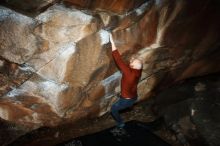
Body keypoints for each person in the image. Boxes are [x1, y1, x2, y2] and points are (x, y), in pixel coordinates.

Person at [109, 33, 143, 128]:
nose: (132, 61)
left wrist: (112, 42)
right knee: (126, 98)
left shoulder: (129, 73)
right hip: (134, 97)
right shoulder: (138, 71)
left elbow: (118, 60)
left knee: (113, 109)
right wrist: (135, 60)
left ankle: (120, 123)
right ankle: (129, 105)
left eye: (133, 62)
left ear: (132, 66)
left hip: (126, 100)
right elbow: (132, 64)